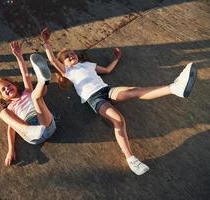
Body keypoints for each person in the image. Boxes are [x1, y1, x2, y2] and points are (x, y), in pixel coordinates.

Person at [40, 27, 197, 175]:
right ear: (64, 64)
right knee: (119, 120)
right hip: (95, 98)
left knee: (133, 91)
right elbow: (53, 60)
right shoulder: (68, 72)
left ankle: (174, 88)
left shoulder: (88, 65)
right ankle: (130, 158)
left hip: (107, 90)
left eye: (71, 53)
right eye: (66, 57)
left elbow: (107, 70)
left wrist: (117, 58)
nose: (70, 56)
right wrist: (46, 43)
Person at [0, 41, 56, 167]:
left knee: (35, 96)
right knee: (3, 113)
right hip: (30, 131)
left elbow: (25, 75)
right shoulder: (10, 108)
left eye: (9, 85)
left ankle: (43, 81)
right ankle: (29, 130)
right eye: (4, 90)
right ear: (3, 97)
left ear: (15, 86)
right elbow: (11, 129)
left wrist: (19, 56)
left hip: (45, 123)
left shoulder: (26, 91)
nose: (7, 88)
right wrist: (11, 149)